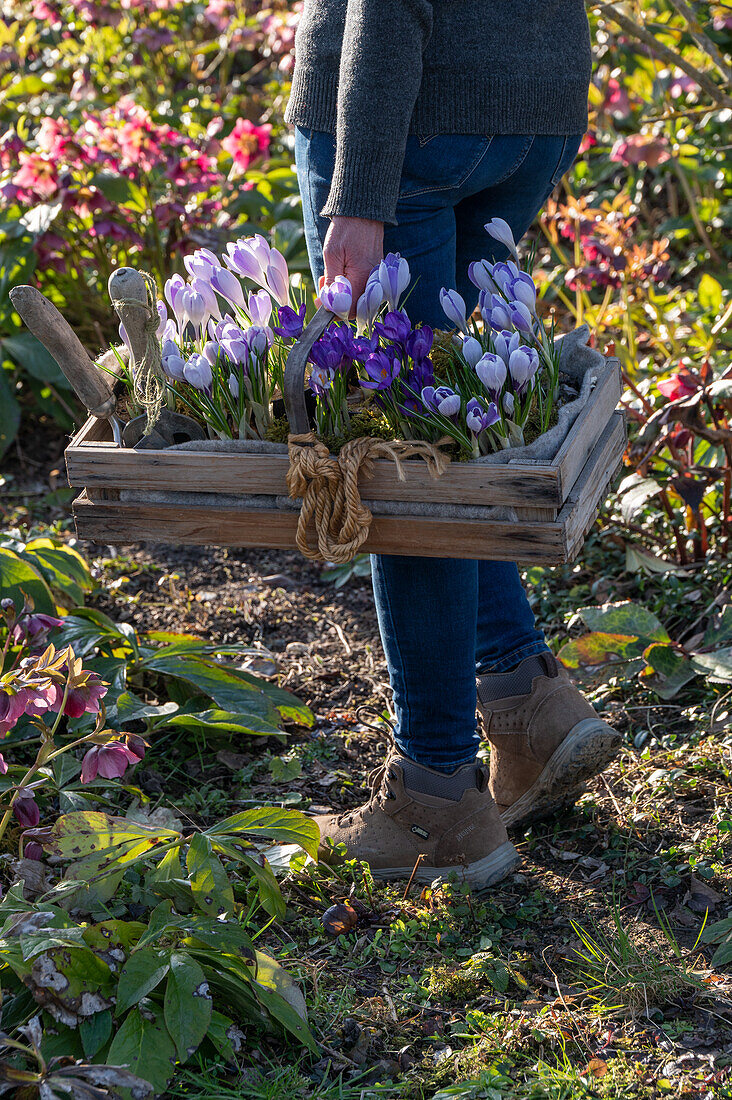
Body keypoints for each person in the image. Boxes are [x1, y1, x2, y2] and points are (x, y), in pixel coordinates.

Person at [285, 0, 620, 888]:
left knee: (400, 463)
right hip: (529, 101)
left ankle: (434, 792)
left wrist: (358, 195)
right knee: (456, 435)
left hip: (409, 114)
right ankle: (525, 702)